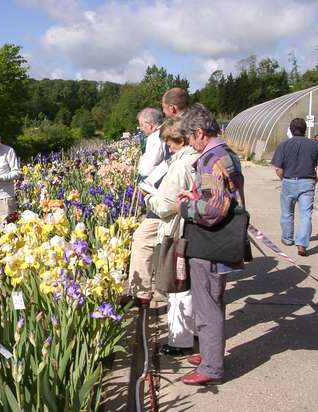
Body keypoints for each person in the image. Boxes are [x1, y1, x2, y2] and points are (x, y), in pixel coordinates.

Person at [173, 104, 244, 385]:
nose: (190, 143)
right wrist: (195, 197)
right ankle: (210, 354)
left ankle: (212, 367)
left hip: (211, 244)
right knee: (213, 301)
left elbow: (213, 210)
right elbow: (223, 196)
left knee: (208, 305)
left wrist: (184, 208)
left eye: (190, 138)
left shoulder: (209, 159)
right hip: (222, 242)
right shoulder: (228, 154)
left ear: (199, 132)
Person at [143, 117, 199, 354]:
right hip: (193, 229)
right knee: (190, 283)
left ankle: (179, 340)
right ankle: (194, 331)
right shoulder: (197, 157)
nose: (167, 146)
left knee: (177, 285)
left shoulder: (180, 165)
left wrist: (148, 197)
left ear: (178, 139)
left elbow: (166, 204)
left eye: (169, 141)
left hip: (176, 230)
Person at [127, 89, 189, 304]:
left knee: (144, 238)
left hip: (168, 196)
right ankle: (163, 288)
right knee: (166, 242)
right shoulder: (190, 123)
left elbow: (155, 165)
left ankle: (143, 292)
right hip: (173, 196)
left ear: (172, 108)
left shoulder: (178, 131)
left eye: (164, 109)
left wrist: (149, 187)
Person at [271, 118, 318, 256]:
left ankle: (287, 238)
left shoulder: (283, 145)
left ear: (291, 130)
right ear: (304, 130)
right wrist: (315, 179)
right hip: (308, 182)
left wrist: (284, 179)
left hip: (289, 181)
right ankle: (302, 244)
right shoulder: (314, 145)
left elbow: (278, 168)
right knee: (305, 215)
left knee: (287, 212)